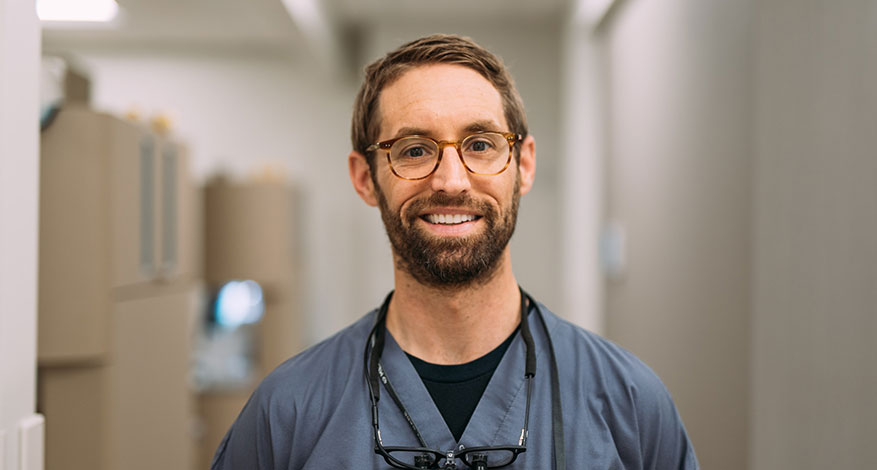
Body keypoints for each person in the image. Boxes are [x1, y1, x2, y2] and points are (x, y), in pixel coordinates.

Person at [211, 34, 698, 470]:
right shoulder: (288, 412)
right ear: (365, 178)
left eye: (481, 144)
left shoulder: (629, 406)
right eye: (414, 150)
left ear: (523, 165)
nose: (451, 181)